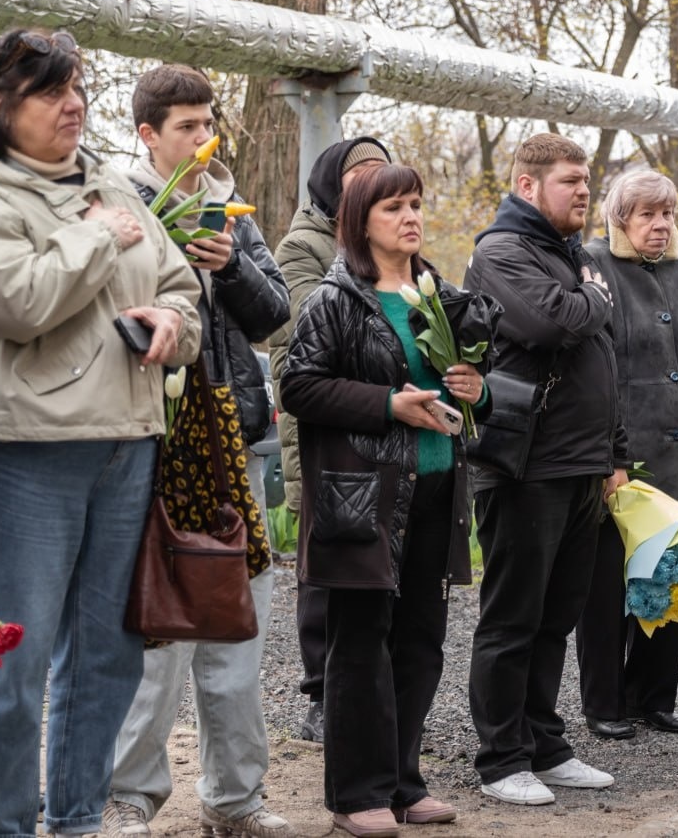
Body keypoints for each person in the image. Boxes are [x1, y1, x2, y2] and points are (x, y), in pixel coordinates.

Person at [0, 29, 201, 836]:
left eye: (76, 86)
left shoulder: (108, 179)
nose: (74, 103)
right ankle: (0, 827)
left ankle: (79, 817)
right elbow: (14, 301)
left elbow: (181, 282)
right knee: (12, 662)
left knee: (107, 656)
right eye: (51, 91)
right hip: (25, 450)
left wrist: (172, 321)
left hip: (127, 439)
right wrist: (96, 236)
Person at [103, 63, 291, 838]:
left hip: (235, 438)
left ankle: (235, 800)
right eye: (187, 126)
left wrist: (232, 265)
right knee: (154, 632)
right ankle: (127, 796)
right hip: (149, 444)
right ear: (147, 134)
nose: (204, 138)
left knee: (236, 622)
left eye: (209, 121)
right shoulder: (117, 204)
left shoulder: (231, 208)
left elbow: (275, 313)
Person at [281, 163, 491, 837]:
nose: (411, 217)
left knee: (421, 641)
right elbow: (300, 388)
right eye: (395, 206)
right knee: (360, 644)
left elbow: (479, 375)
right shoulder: (335, 300)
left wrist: (473, 387)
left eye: (417, 204)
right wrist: (386, 403)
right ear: (359, 220)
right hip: (361, 497)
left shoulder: (439, 296)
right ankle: (354, 793)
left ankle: (404, 782)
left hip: (434, 488)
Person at [465, 132, 628, 805]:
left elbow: (603, 362)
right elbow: (550, 323)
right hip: (524, 463)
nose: (584, 191)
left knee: (556, 615)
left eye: (588, 179)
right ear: (529, 186)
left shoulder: (577, 254)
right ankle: (501, 757)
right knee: (512, 617)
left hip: (581, 462)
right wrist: (594, 300)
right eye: (570, 180)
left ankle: (545, 743)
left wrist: (614, 454)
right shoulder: (500, 250)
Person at [574, 169, 678, 740]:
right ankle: (604, 704)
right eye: (647, 215)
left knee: (669, 577)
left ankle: (653, 698)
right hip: (624, 462)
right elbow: (598, 373)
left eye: (667, 214)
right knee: (610, 587)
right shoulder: (595, 265)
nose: (661, 225)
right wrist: (606, 458)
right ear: (620, 219)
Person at [267, 136, 391, 744]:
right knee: (324, 563)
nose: (370, 182)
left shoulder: (389, 245)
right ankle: (320, 692)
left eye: (380, 172)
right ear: (331, 182)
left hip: (380, 423)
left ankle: (368, 690)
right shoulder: (302, 246)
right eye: (359, 172)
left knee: (372, 558)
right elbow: (305, 329)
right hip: (319, 423)